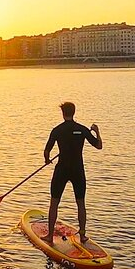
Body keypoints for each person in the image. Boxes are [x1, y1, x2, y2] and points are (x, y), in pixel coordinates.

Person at [43, 102, 102, 245]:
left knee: (54, 203)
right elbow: (99, 146)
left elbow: (46, 151)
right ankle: (82, 236)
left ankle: (50, 236)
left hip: (62, 169)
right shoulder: (82, 129)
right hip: (78, 170)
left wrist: (47, 160)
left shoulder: (57, 130)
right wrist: (96, 131)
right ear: (74, 112)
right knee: (81, 203)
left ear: (63, 113)